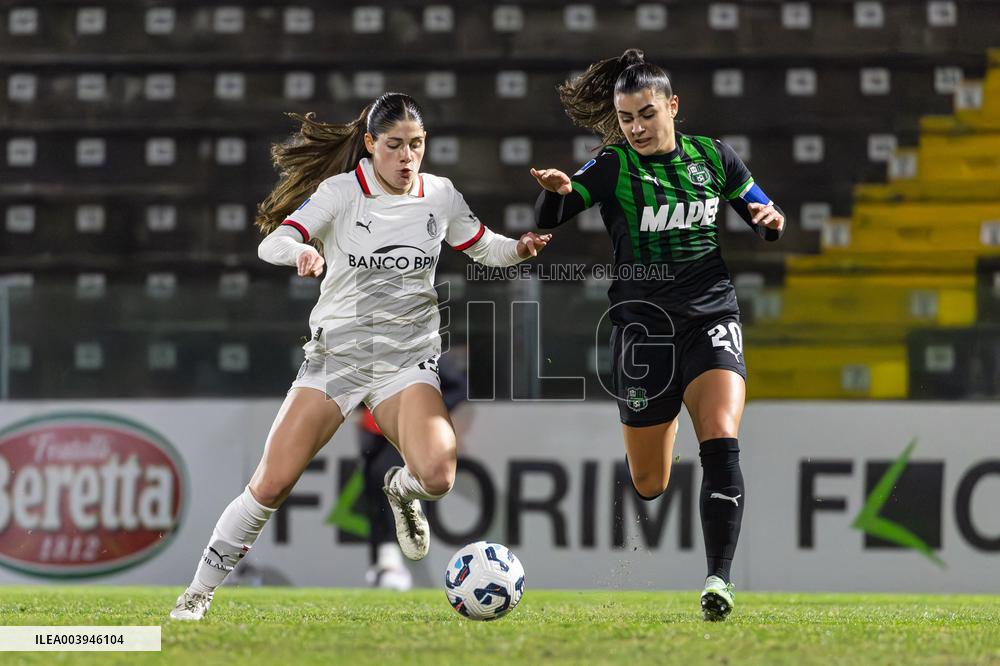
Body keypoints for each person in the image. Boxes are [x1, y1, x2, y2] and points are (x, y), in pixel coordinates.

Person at [171, 92, 551, 620]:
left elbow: (484, 246)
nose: (406, 157)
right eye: (394, 145)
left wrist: (520, 247)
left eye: (416, 145)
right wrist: (302, 249)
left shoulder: (440, 195)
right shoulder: (341, 193)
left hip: (406, 362)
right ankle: (197, 593)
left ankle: (400, 490)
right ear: (371, 144)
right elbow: (270, 244)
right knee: (272, 483)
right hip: (337, 359)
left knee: (439, 477)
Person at [530, 49, 785, 621]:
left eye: (647, 114)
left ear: (673, 106)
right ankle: (659, 433)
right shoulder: (614, 165)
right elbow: (550, 217)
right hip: (643, 336)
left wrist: (770, 220)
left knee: (720, 432)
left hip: (710, 315)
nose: (637, 127)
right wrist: (557, 190)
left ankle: (718, 580)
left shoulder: (714, 157)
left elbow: (759, 207)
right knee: (649, 484)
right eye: (626, 118)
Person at [356, 353, 468, 591]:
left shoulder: (422, 351)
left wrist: (426, 412)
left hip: (404, 436)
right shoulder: (368, 350)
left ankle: (391, 564)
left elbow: (458, 387)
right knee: (374, 496)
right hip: (373, 436)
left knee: (391, 486)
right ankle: (381, 563)